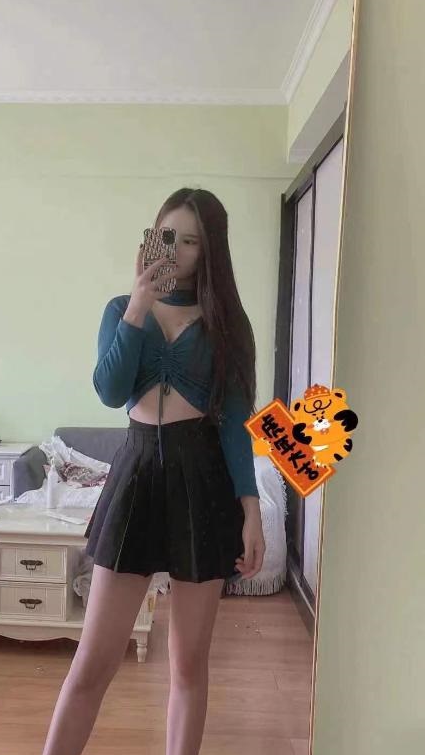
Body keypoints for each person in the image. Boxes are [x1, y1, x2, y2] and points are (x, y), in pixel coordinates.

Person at [41, 187, 265, 755]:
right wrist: (139, 304)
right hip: (137, 473)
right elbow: (109, 389)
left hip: (202, 478)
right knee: (93, 661)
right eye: (168, 235)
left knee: (188, 665)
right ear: (151, 236)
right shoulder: (121, 309)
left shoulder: (227, 323)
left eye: (191, 241)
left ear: (209, 251)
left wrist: (252, 511)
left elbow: (237, 423)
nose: (177, 249)